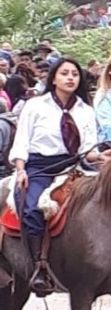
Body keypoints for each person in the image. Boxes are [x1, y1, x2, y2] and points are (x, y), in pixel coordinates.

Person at [8, 58, 102, 296]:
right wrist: (21, 170)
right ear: (54, 78)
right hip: (40, 167)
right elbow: (22, 141)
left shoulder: (86, 110)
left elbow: (88, 149)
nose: (70, 78)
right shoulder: (35, 106)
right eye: (65, 73)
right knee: (32, 209)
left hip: (75, 166)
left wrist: (102, 157)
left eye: (75, 74)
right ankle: (38, 266)